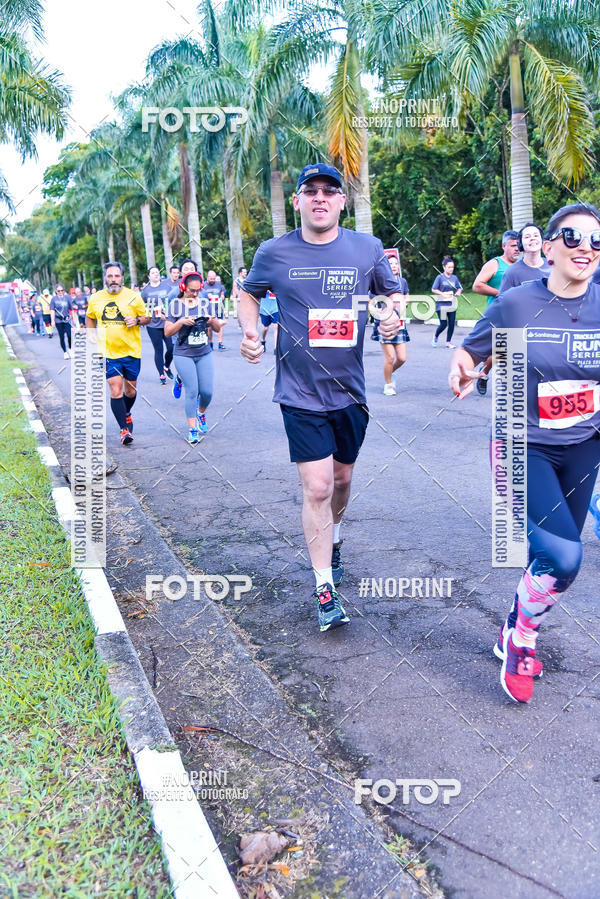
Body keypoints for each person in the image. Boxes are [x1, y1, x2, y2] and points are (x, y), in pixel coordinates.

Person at [239, 162, 403, 632]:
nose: (320, 198)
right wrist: (251, 332)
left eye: (330, 191)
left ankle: (335, 536)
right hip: (298, 390)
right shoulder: (274, 251)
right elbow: (248, 293)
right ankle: (324, 586)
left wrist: (391, 319)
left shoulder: (366, 248)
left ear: (341, 202)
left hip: (350, 390)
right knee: (317, 487)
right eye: (310, 191)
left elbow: (391, 297)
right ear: (297, 201)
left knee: (343, 479)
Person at [449, 202, 600, 703]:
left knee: (548, 556)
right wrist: (462, 369)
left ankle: (513, 623)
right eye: (575, 238)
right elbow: (471, 350)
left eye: (597, 242)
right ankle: (522, 640)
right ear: (550, 246)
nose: (587, 249)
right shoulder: (517, 302)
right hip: (523, 446)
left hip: (583, 448)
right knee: (563, 556)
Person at [86, 262, 150, 445]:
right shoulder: (96, 298)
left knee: (130, 391)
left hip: (131, 351)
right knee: (115, 389)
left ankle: (127, 413)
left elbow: (148, 318)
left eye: (117, 276)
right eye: (110, 276)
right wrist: (90, 333)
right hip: (108, 352)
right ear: (105, 278)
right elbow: (90, 316)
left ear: (122, 277)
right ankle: (124, 430)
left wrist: (137, 320)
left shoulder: (133, 297)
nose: (113, 280)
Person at [164, 271, 222, 443]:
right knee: (192, 391)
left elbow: (217, 329)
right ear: (183, 288)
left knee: (207, 392)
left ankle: (201, 413)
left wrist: (212, 320)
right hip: (183, 353)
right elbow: (167, 332)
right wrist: (181, 322)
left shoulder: (205, 304)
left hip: (203, 352)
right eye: (191, 290)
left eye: (198, 290)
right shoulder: (175, 305)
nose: (195, 294)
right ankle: (192, 429)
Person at [379, 254, 410, 395]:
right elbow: (370, 300)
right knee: (390, 357)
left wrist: (404, 303)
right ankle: (388, 384)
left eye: (396, 263)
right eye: (390, 264)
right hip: (385, 323)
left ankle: (389, 374)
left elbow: (407, 296)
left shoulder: (402, 281)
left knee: (402, 358)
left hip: (400, 323)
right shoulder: (381, 282)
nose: (394, 266)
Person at [141, 265, 174, 384]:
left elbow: (172, 301)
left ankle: (166, 366)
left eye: (157, 272)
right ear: (149, 276)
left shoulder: (167, 287)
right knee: (158, 350)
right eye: (153, 273)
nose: (156, 274)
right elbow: (142, 306)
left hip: (167, 322)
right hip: (153, 324)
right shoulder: (145, 291)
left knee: (171, 347)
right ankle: (161, 374)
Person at [499, 222, 551, 292]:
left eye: (536, 236)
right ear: (520, 244)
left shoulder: (553, 266)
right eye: (527, 237)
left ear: (542, 241)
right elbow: (502, 301)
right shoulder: (512, 272)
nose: (532, 238)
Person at [472, 230, 520, 305]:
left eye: (518, 245)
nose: (517, 249)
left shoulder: (523, 263)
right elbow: (477, 286)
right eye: (513, 246)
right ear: (504, 246)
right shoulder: (494, 264)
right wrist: (502, 293)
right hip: (498, 312)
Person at [431, 256, 462, 348]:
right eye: (449, 267)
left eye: (452, 267)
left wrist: (458, 292)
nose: (451, 269)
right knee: (444, 324)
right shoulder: (440, 277)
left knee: (452, 324)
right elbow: (433, 289)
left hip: (452, 304)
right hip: (441, 305)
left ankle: (448, 342)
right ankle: (435, 336)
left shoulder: (454, 278)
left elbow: (459, 288)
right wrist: (442, 294)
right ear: (444, 267)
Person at [50, 285, 77, 357]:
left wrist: (73, 318)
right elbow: (52, 310)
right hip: (58, 320)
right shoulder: (54, 299)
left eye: (62, 290)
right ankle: (65, 352)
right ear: (56, 291)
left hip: (67, 319)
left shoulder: (67, 298)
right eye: (58, 291)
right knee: (61, 336)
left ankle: (70, 349)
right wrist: (52, 321)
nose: (60, 292)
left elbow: (71, 309)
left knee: (69, 335)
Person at [203, 270, 227, 350]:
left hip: (218, 308)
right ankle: (210, 342)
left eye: (214, 278)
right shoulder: (203, 285)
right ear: (207, 277)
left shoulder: (219, 284)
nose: (213, 280)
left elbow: (222, 294)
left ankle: (220, 343)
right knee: (209, 327)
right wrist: (207, 296)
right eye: (211, 279)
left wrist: (222, 297)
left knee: (219, 325)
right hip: (208, 309)